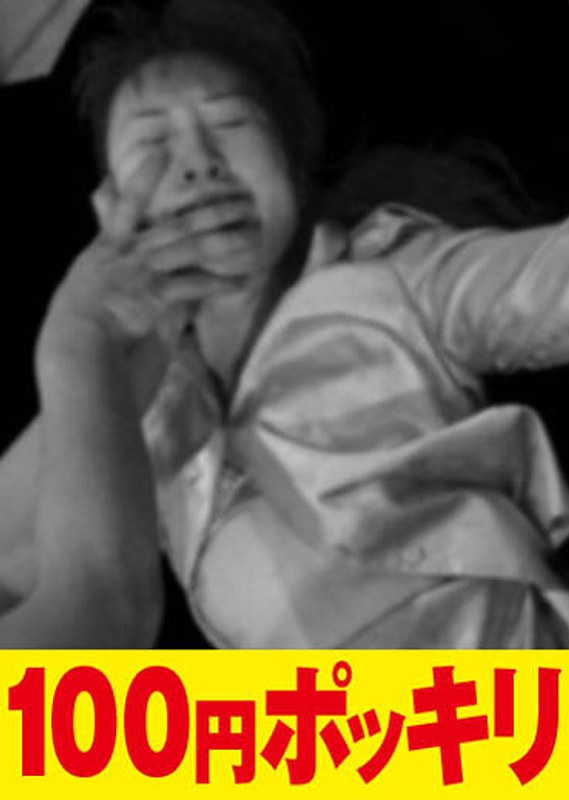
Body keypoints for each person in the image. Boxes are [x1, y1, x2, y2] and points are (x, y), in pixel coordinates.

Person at [2, 0, 569, 648]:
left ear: (292, 168)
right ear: (109, 210)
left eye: (231, 122)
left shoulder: (392, 283)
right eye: (153, 144)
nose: (198, 162)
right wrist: (102, 361)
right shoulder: (134, 413)